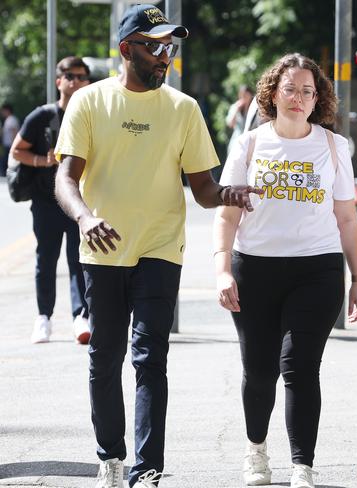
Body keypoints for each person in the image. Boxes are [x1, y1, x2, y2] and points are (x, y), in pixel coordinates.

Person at [53, 4, 261, 488]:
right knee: (105, 355)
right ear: (127, 50)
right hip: (101, 249)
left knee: (150, 356)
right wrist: (84, 217)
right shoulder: (88, 102)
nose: (164, 55)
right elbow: (66, 179)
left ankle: (147, 468)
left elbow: (204, 190)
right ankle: (111, 456)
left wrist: (228, 193)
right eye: (154, 45)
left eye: (169, 46)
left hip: (160, 249)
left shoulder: (183, 109)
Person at [214, 53, 357, 488]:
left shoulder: (333, 146)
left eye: (307, 91)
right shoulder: (249, 145)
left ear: (317, 98)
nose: (298, 98)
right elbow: (226, 216)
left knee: (299, 366)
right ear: (272, 93)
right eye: (290, 89)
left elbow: (347, 218)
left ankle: (303, 465)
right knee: (259, 369)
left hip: (316, 271)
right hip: (254, 269)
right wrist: (223, 270)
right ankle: (256, 451)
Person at [9, 57, 92, 344]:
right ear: (59, 81)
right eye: (70, 75)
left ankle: (81, 317)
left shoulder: (91, 114)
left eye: (82, 76)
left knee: (79, 260)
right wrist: (41, 161)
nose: (76, 81)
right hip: (46, 201)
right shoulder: (42, 116)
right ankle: (43, 318)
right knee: (46, 260)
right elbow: (17, 150)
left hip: (79, 201)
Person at [226, 85, 254, 153]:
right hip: (237, 140)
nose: (244, 97)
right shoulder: (235, 106)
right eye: (242, 95)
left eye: (246, 95)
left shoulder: (254, 109)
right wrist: (236, 110)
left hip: (251, 142)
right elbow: (230, 124)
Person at [1, 103, 20, 177]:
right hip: (8, 144)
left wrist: (14, 144)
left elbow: (14, 132)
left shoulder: (12, 119)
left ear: (7, 110)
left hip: (10, 145)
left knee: (9, 161)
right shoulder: (8, 119)